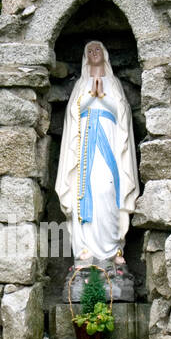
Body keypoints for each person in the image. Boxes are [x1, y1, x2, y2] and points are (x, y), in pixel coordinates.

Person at [54, 40, 139, 264]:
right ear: (85, 56)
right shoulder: (81, 84)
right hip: (84, 147)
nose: (94, 53)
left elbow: (123, 114)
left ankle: (113, 249)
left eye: (98, 49)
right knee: (82, 190)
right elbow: (73, 114)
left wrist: (103, 97)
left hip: (109, 144)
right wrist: (91, 95)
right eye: (89, 50)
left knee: (107, 189)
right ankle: (84, 249)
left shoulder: (114, 83)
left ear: (105, 54)